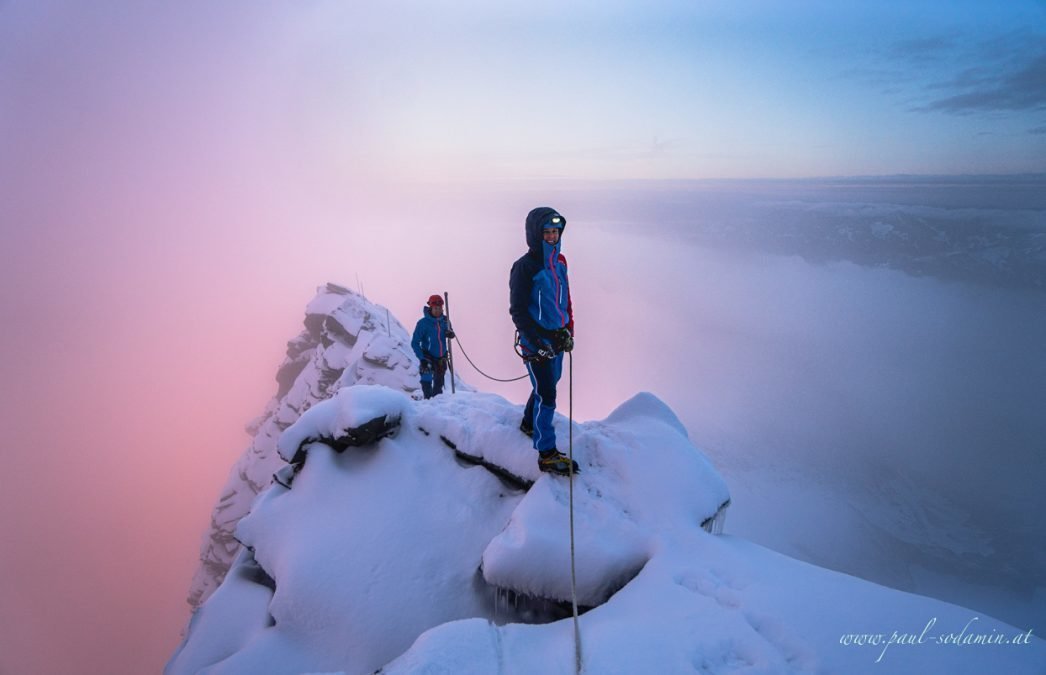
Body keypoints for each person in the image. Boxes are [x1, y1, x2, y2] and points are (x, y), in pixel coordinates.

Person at [509, 207, 579, 476]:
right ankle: (546, 452)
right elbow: (517, 311)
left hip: (557, 339)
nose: (551, 236)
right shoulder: (525, 267)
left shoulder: (560, 262)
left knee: (547, 385)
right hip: (535, 342)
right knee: (547, 394)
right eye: (546, 232)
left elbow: (566, 299)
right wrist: (536, 342)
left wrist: (568, 330)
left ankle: (529, 423)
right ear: (534, 235)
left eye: (555, 232)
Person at [412, 294, 454, 399]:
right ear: (430, 307)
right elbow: (415, 342)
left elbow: (449, 332)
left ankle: (437, 403)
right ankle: (427, 400)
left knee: (439, 383)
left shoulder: (445, 321)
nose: (438, 310)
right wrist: (422, 358)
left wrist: (451, 334)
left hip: (441, 356)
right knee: (426, 376)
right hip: (428, 356)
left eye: (440, 308)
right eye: (435, 308)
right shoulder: (423, 323)